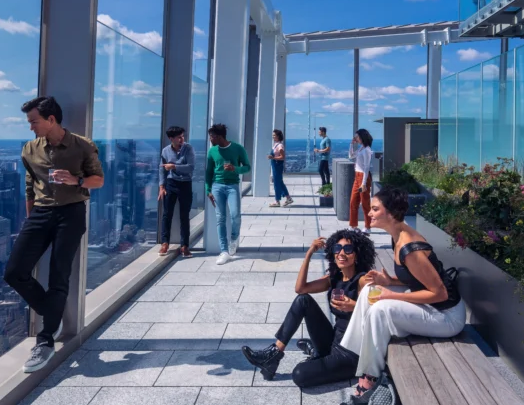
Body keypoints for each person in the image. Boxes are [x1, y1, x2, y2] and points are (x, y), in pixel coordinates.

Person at [5, 96, 104, 373]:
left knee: (59, 277)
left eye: (33, 121)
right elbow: (29, 185)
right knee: (14, 272)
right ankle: (52, 314)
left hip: (70, 214)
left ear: (51, 120)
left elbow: (99, 179)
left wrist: (77, 180)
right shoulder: (29, 149)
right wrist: (31, 219)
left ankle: (45, 340)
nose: (30, 127)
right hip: (39, 214)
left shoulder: (82, 145)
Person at [339, 186, 466, 396]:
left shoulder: (409, 248)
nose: (369, 213)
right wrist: (390, 280)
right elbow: (417, 279)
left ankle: (370, 376)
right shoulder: (397, 236)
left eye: (375, 209)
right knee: (371, 288)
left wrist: (392, 294)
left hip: (447, 317)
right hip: (430, 306)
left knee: (381, 308)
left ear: (390, 213)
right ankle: (356, 352)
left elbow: (440, 293)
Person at [242, 229, 374, 386]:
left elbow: (378, 312)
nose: (341, 253)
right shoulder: (335, 278)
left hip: (350, 354)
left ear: (357, 254)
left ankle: (318, 354)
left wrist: (354, 306)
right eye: (337, 249)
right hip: (334, 341)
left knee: (299, 374)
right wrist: (309, 254)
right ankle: (274, 354)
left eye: (348, 249)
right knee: (303, 300)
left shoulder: (363, 280)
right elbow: (301, 289)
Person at [205, 123, 251, 266]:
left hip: (232, 186)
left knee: (235, 214)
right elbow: (209, 172)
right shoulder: (212, 151)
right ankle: (224, 251)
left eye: (211, 137)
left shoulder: (238, 148)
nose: (210, 139)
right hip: (217, 186)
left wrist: (235, 169)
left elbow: (247, 167)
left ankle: (234, 238)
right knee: (220, 218)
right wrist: (208, 189)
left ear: (219, 137)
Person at [159, 125, 195, 257]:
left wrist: (174, 166)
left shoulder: (188, 148)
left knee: (184, 216)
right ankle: (165, 243)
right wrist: (161, 187)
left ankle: (184, 246)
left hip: (185, 184)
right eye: (179, 137)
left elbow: (190, 167)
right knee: (166, 214)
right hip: (171, 184)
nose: (182, 139)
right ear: (171, 138)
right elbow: (162, 169)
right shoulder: (165, 151)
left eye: (183, 136)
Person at [348, 129, 374, 232]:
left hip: (363, 178)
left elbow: (367, 168)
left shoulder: (367, 150)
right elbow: (350, 156)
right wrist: (351, 145)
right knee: (353, 201)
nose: (356, 138)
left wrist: (363, 184)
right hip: (357, 177)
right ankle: (353, 225)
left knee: (365, 203)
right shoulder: (361, 149)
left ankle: (368, 226)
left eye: (357, 137)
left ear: (362, 137)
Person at [268, 129, 293, 207]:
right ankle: (288, 198)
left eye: (274, 135)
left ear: (278, 136)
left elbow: (282, 157)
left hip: (277, 166)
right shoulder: (276, 144)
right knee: (280, 182)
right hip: (275, 165)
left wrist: (273, 157)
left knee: (277, 183)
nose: (273, 136)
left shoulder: (280, 146)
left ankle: (277, 200)